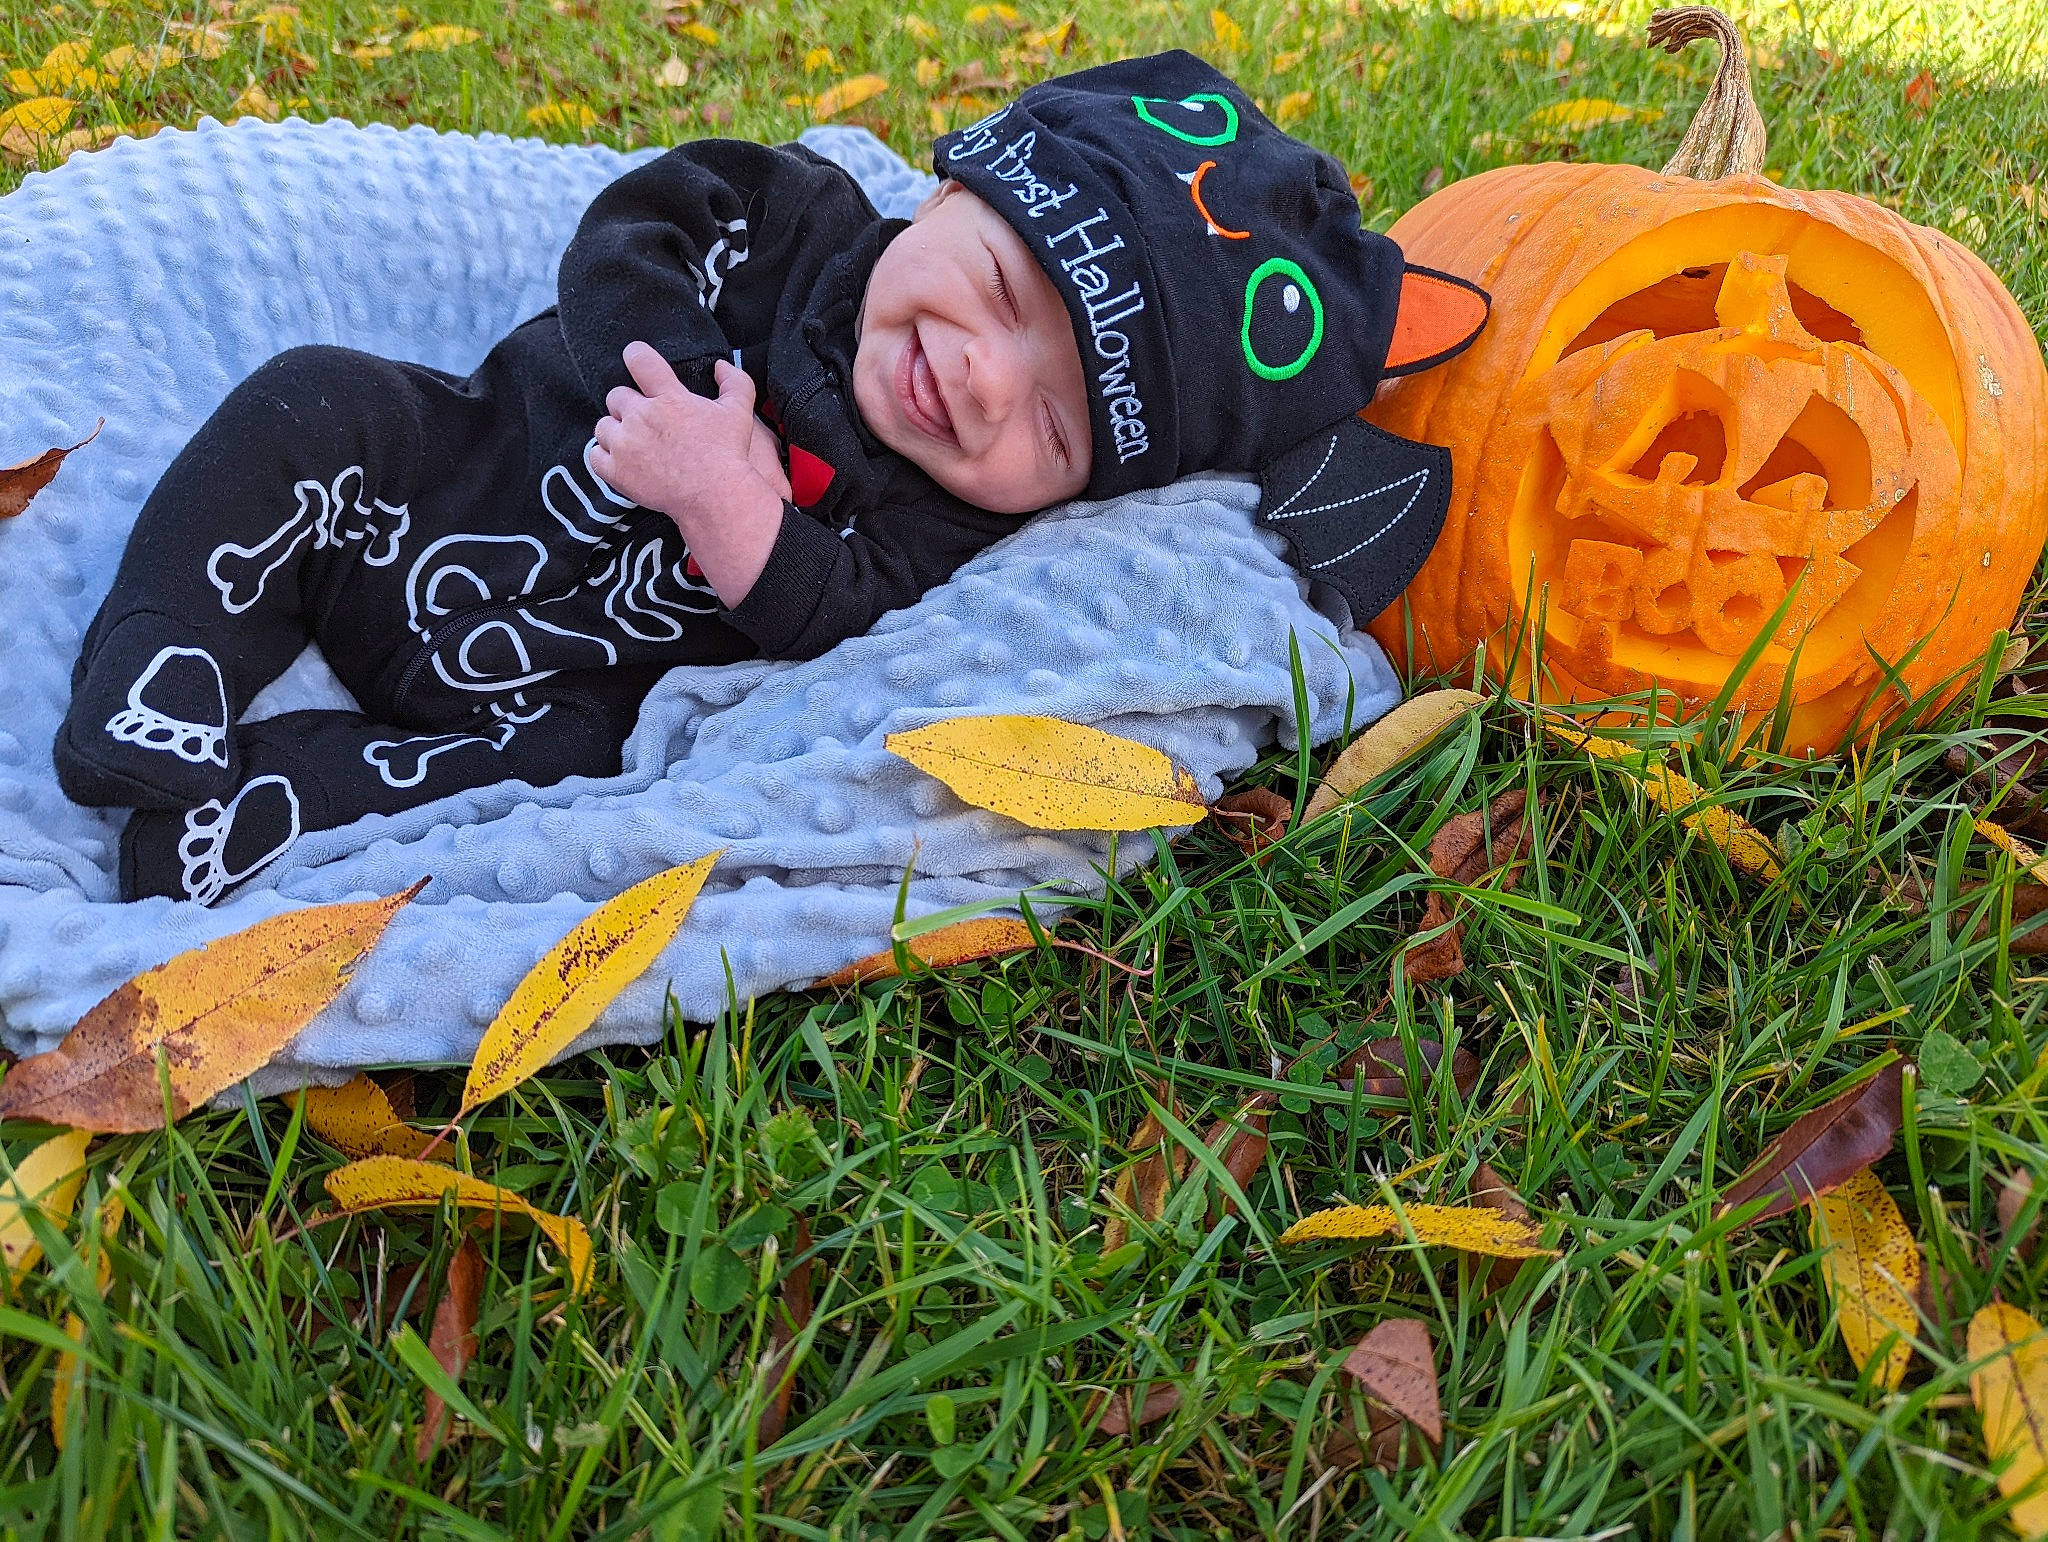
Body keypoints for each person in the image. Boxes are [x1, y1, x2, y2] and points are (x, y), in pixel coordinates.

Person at [54, 50, 1488, 905]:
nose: (984, 377)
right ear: (950, 191)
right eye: (995, 285)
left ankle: (261, 810)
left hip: (568, 672)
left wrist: (741, 518)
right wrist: (673, 380)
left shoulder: (945, 516)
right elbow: (635, 228)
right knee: (311, 404)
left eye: (1057, 428)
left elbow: (840, 611)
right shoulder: (792, 215)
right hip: (449, 474)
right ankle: (164, 670)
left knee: (567, 772)